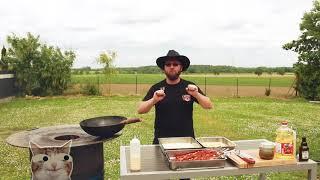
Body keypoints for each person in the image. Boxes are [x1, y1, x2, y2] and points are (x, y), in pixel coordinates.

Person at [137, 50, 213, 144]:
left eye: (175, 64)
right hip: (161, 141)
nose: (171, 67)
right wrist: (153, 100)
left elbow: (208, 105)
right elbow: (140, 110)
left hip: (186, 141)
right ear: (164, 68)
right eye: (168, 64)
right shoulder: (157, 88)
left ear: (181, 67)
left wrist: (196, 94)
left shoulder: (190, 87)